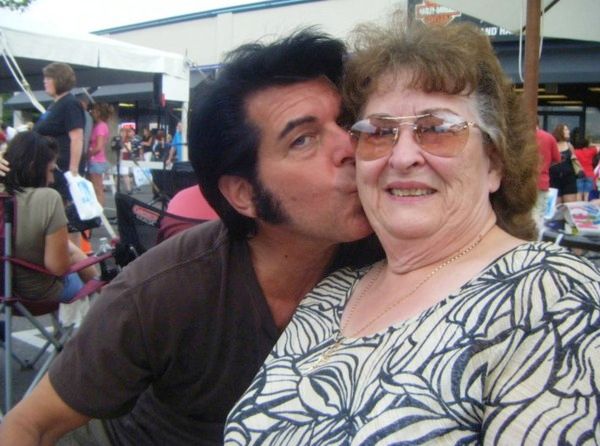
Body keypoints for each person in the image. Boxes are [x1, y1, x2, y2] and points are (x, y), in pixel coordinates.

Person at [224, 19, 600, 444]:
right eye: (379, 132)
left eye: (437, 130)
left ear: (494, 163)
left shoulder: (555, 295)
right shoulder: (332, 291)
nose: (403, 157)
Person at [0, 29, 383, 445]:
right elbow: (29, 424)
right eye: (303, 139)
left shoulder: (394, 257)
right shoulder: (164, 290)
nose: (351, 147)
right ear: (244, 194)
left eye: (346, 122)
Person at [0, 132, 98, 302]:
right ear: (33, 167)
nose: (52, 179)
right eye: (51, 170)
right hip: (36, 293)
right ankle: (108, 298)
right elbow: (58, 267)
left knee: (72, 251)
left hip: (4, 291)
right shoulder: (48, 198)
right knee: (79, 268)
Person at [33, 62, 86, 246]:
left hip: (62, 169)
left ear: (59, 80)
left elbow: (77, 137)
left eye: (49, 78)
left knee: (67, 217)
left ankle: (72, 256)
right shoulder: (55, 105)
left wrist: (73, 171)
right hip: (51, 168)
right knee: (57, 216)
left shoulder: (70, 104)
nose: (45, 82)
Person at [87, 103, 114, 207]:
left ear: (99, 113)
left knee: (97, 189)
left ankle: (99, 212)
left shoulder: (100, 126)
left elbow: (98, 147)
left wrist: (87, 154)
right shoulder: (100, 125)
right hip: (97, 160)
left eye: (94, 111)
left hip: (96, 160)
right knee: (95, 188)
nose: (92, 112)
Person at [534, 126, 560, 225]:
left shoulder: (519, 137)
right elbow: (557, 159)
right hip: (541, 181)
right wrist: (545, 165)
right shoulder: (549, 137)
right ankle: (535, 233)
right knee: (538, 213)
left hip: (522, 182)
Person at [549, 123, 580, 204]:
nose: (568, 131)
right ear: (560, 132)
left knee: (570, 205)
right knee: (556, 207)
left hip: (569, 178)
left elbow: (574, 160)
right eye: (566, 129)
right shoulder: (552, 145)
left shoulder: (569, 145)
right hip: (554, 179)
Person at [572, 128, 599, 201]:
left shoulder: (575, 152)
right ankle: (586, 207)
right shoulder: (591, 151)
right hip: (590, 174)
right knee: (587, 194)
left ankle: (579, 207)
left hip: (579, 174)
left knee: (579, 193)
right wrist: (591, 144)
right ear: (587, 144)